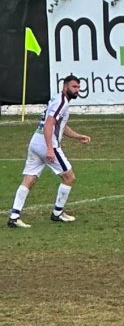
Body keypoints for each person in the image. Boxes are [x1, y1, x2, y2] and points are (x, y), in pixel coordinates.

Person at [7, 73, 91, 228]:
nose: (77, 90)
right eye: (74, 86)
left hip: (35, 142)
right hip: (46, 145)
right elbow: (49, 125)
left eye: (78, 87)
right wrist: (50, 149)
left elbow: (60, 126)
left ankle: (14, 216)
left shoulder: (56, 99)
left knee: (29, 179)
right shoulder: (62, 102)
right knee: (69, 177)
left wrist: (78, 136)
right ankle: (57, 213)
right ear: (65, 86)